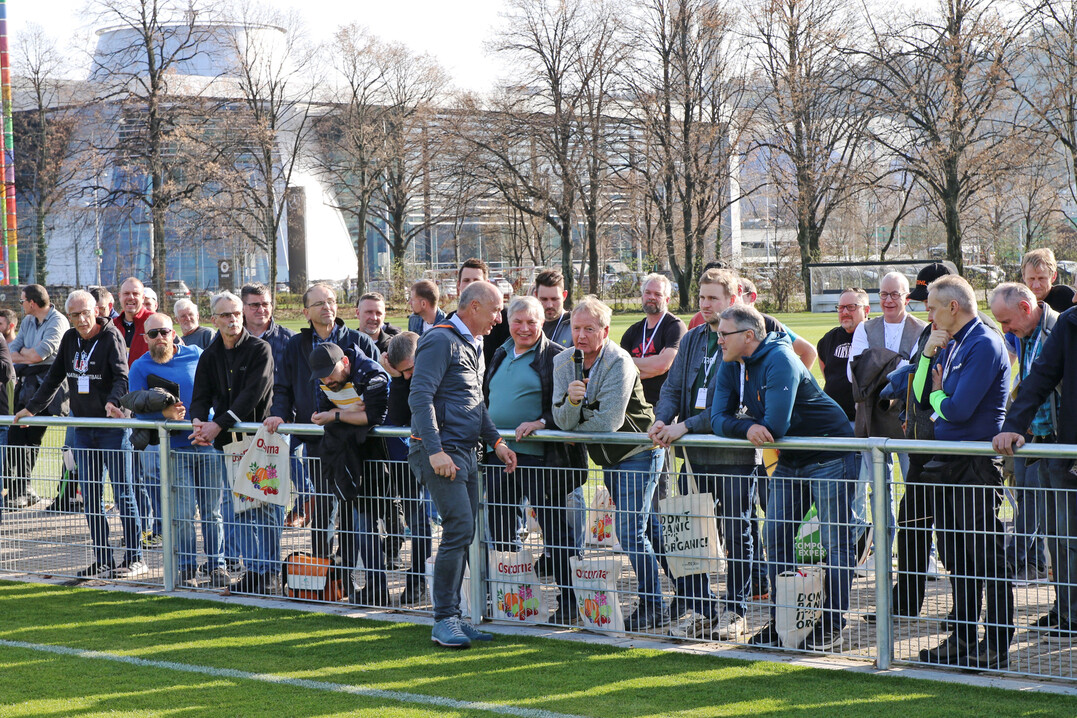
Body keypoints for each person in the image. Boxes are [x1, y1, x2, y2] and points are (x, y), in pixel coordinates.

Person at [711, 304, 856, 651]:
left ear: (748, 335)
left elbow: (775, 425)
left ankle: (833, 622)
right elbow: (717, 418)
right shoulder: (732, 362)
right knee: (775, 535)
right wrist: (748, 428)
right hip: (792, 458)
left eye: (724, 334)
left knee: (835, 542)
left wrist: (746, 425)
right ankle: (784, 620)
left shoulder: (781, 359)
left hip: (829, 453)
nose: (718, 341)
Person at [649, 268, 763, 640]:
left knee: (737, 534)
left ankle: (735, 611)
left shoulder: (747, 338)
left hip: (733, 455)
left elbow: (729, 405)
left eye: (713, 298)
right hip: (694, 456)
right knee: (689, 533)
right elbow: (672, 387)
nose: (705, 304)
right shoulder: (693, 338)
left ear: (733, 299)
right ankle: (699, 607)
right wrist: (662, 419)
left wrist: (685, 426)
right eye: (701, 297)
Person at [912, 274, 1013, 669]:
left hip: (975, 465)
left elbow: (956, 410)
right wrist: (926, 359)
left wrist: (941, 394)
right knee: (957, 555)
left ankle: (997, 642)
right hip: (948, 462)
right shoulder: (950, 342)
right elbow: (922, 398)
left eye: (933, 308)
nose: (929, 316)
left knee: (986, 555)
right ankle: (964, 636)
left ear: (953, 307)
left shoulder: (984, 343)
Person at [409, 280, 517, 647]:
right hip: (443, 452)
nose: (499, 318)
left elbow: (475, 402)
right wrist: (435, 450)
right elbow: (419, 396)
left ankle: (453, 616)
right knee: (458, 529)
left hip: (466, 452)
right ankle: (444, 619)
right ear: (473, 307)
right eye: (496, 310)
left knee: (464, 531)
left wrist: (496, 442)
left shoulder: (473, 343)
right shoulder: (441, 340)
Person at [553, 296, 668, 632]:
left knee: (631, 533)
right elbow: (561, 419)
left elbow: (609, 422)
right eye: (576, 328)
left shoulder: (620, 361)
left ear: (605, 331)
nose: (581, 335)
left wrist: (574, 420)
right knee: (649, 531)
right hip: (608, 458)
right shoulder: (562, 362)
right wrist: (572, 402)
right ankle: (691, 595)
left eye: (590, 329)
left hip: (637, 452)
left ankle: (654, 605)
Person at [14, 290, 144, 578]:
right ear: (69, 317)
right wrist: (31, 408)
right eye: (75, 315)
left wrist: (113, 402)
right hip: (83, 429)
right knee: (92, 496)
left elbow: (122, 376)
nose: (82, 319)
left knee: (124, 493)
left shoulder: (111, 337)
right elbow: (53, 378)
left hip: (112, 428)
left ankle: (135, 557)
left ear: (96, 311)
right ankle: (103, 558)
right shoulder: (69, 338)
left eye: (86, 313)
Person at [266, 282, 380, 595]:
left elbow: (377, 386)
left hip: (355, 442)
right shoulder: (296, 345)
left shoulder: (357, 340)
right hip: (317, 440)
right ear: (306, 312)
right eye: (319, 303)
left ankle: (348, 575)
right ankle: (321, 574)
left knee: (352, 511)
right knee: (322, 510)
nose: (327, 307)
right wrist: (279, 415)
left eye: (330, 301)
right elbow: (283, 388)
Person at [483, 295, 585, 624]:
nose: (524, 328)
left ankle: (569, 603)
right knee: (501, 530)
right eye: (518, 321)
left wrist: (541, 422)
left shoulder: (557, 356)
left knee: (555, 533)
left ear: (542, 323)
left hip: (541, 460)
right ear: (508, 322)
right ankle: (511, 599)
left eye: (532, 322)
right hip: (499, 456)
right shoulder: (500, 352)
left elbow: (570, 407)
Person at [994, 289, 1077, 638]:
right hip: (1054, 447)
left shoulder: (1058, 325)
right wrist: (1013, 425)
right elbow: (1038, 379)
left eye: (1007, 320)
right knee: (1059, 535)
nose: (1074, 296)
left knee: (1067, 533)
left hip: (1063, 445)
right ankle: (1067, 609)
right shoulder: (1068, 324)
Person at [128, 312, 229, 588]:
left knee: (212, 511)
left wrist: (210, 425)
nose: (160, 338)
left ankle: (217, 565)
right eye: (153, 334)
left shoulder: (197, 355)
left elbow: (217, 393)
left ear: (174, 334)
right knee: (183, 513)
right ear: (145, 338)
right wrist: (166, 414)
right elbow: (137, 411)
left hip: (206, 444)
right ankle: (186, 568)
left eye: (164, 332)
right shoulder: (139, 367)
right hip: (173, 449)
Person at [189, 291, 277, 595]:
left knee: (264, 508)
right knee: (238, 510)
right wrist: (198, 423)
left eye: (237, 313)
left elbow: (252, 395)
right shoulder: (210, 354)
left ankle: (269, 572)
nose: (233, 320)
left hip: (261, 442)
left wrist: (217, 424)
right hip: (228, 445)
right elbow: (200, 395)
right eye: (226, 315)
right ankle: (252, 570)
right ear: (214, 319)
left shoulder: (260, 349)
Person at [847, 273, 928, 565]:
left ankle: (924, 555)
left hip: (909, 419)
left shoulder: (922, 329)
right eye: (883, 294)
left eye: (895, 294)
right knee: (879, 492)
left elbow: (917, 374)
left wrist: (877, 361)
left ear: (907, 297)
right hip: (872, 418)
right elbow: (854, 373)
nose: (889, 300)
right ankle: (882, 554)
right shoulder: (865, 328)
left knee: (916, 488)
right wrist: (896, 364)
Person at [307, 341, 390, 605]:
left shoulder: (372, 373)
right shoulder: (326, 381)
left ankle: (384, 588)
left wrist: (336, 416)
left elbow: (376, 417)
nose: (326, 380)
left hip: (384, 458)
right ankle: (371, 588)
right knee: (357, 526)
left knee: (377, 524)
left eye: (329, 373)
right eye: (321, 376)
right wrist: (347, 412)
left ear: (345, 362)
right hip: (350, 461)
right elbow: (322, 412)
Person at [241, 283, 307, 530]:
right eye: (254, 305)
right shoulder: (231, 337)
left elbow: (297, 383)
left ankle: (300, 508)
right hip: (242, 423)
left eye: (265, 304)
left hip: (280, 424)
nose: (261, 309)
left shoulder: (289, 339)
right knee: (246, 485)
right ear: (243, 307)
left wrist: (287, 418)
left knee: (274, 485)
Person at [379, 331, 433, 604]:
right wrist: (398, 379)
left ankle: (426, 579)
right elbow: (398, 415)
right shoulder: (402, 379)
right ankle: (418, 579)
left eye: (411, 369)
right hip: (405, 456)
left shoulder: (437, 371)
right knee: (416, 517)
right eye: (404, 372)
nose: (409, 375)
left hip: (439, 454)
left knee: (431, 519)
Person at [6, 284, 70, 507]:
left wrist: (27, 355)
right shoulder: (27, 321)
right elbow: (14, 351)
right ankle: (20, 489)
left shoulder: (58, 321)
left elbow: (39, 355)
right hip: (27, 384)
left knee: (32, 435)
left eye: (22, 300)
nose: (21, 304)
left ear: (32, 303)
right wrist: (29, 355)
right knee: (16, 434)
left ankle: (23, 490)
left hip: (48, 386)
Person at [620, 273, 687, 408]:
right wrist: (651, 364)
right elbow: (620, 369)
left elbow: (662, 365)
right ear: (642, 296)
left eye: (658, 294)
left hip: (662, 404)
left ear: (667, 299)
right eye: (648, 293)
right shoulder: (633, 331)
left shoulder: (675, 327)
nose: (651, 297)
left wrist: (631, 367)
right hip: (633, 403)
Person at [455, 258, 511, 367]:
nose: (471, 285)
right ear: (458, 285)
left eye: (476, 281)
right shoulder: (452, 320)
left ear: (487, 284)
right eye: (466, 280)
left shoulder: (505, 318)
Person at [1021, 247, 1075, 314]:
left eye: (1041, 278)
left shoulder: (1068, 298)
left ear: (1053, 276)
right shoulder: (1018, 304)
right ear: (1024, 277)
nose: (1036, 285)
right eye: (1031, 279)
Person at [534, 269, 573, 348]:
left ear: (564, 295)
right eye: (544, 299)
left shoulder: (575, 326)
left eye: (554, 299)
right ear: (536, 295)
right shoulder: (529, 326)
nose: (549, 305)